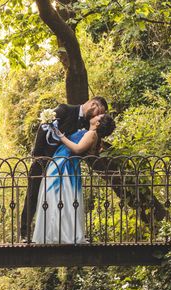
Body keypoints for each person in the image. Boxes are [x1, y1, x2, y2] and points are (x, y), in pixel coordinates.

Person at [20, 97, 108, 241]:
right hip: (44, 160)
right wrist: (37, 155)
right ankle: (25, 233)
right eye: (99, 112)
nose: (96, 116)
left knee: (63, 198)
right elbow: (44, 128)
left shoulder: (88, 124)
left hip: (65, 166)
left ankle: (64, 231)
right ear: (93, 104)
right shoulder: (65, 110)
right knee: (33, 194)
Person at [32, 113, 116, 244]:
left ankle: (58, 234)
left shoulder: (91, 134)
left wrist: (60, 136)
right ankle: (56, 233)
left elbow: (77, 149)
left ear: (98, 123)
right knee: (59, 198)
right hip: (63, 162)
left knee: (56, 197)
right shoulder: (91, 134)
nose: (95, 115)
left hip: (64, 165)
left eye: (98, 116)